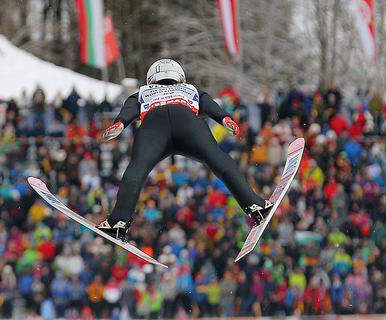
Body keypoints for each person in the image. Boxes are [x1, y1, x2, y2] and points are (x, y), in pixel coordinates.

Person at [97, 58, 272, 240]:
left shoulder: (143, 91)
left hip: (155, 125)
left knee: (137, 169)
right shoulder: (189, 88)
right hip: (187, 122)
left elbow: (130, 108)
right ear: (179, 76)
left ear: (151, 79)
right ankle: (254, 205)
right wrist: (224, 118)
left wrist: (120, 123)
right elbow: (208, 104)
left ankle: (118, 222)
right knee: (218, 159)